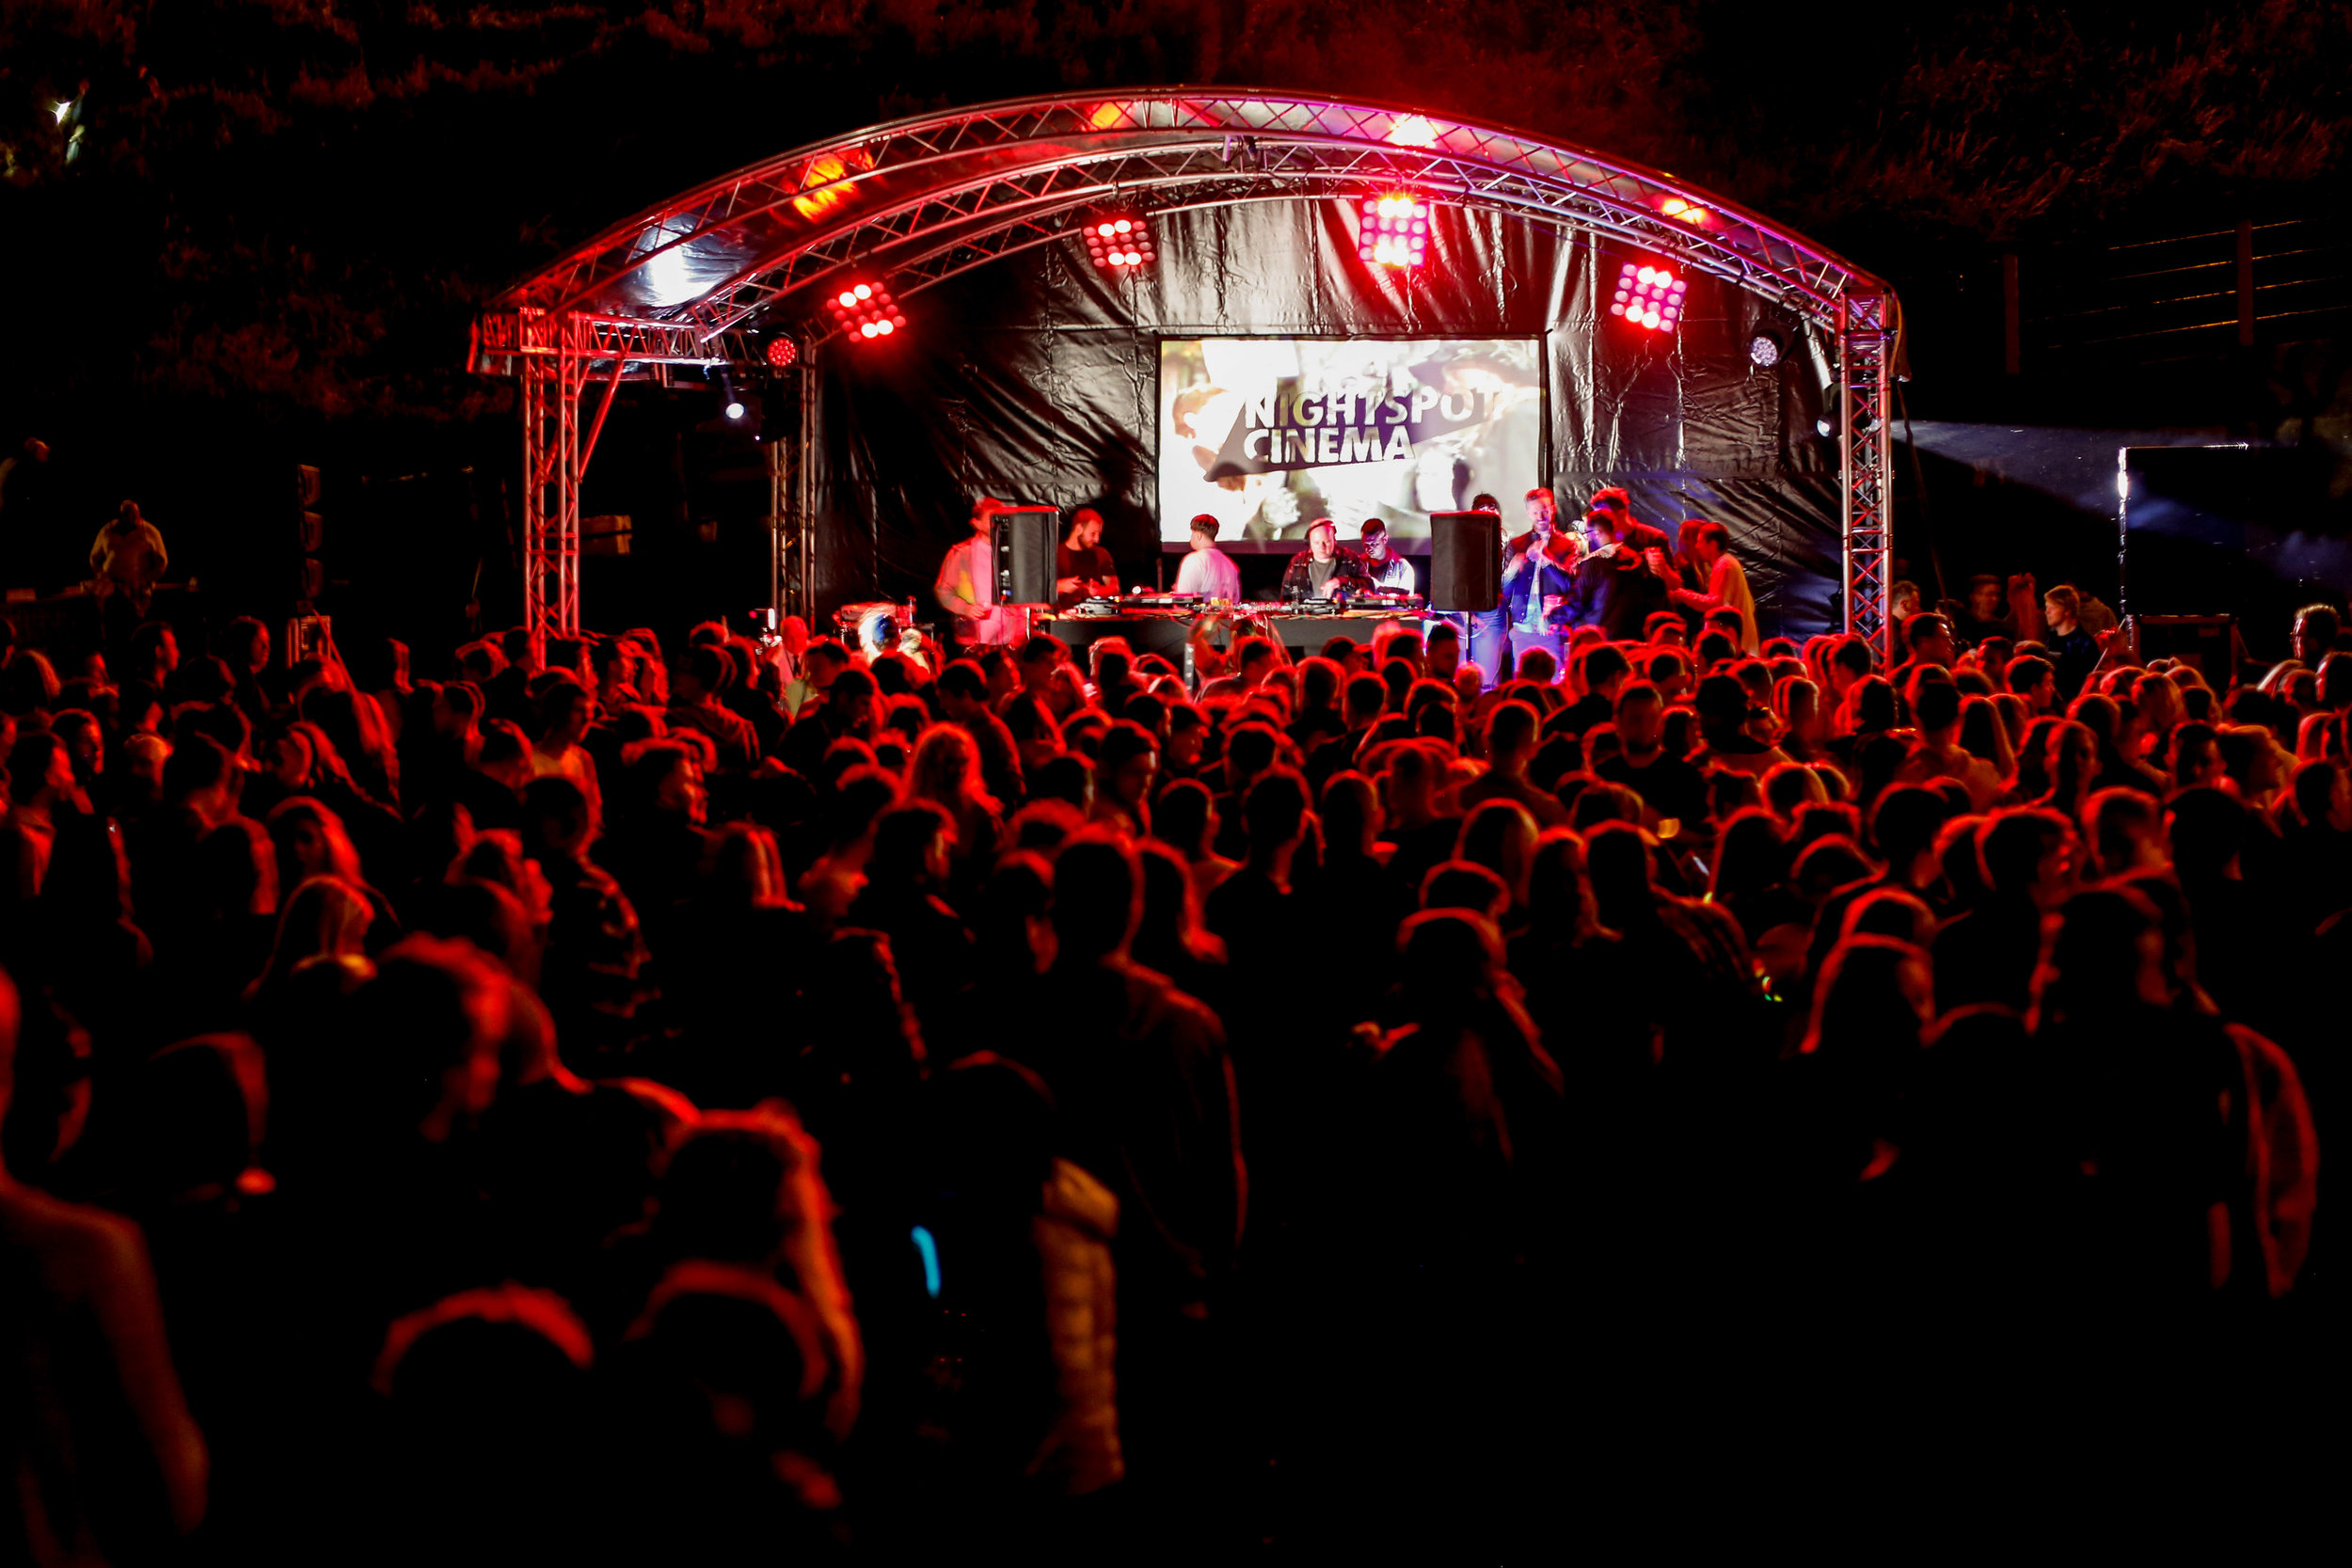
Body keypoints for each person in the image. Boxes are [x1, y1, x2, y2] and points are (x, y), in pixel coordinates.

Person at [1561, 506, 1667, 641]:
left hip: (1600, 638)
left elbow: (1577, 602)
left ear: (1597, 533)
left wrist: (1552, 617)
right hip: (1633, 638)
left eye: (1589, 533)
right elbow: (1655, 599)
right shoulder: (1639, 560)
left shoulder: (1593, 564)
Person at [1502, 490, 1578, 673]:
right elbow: (1504, 592)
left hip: (1550, 628)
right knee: (1522, 683)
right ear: (1528, 513)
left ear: (1553, 509)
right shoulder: (1517, 544)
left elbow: (1569, 585)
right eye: (1534, 512)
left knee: (1553, 684)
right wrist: (1512, 569)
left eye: (1544, 510)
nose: (1540, 516)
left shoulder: (1567, 545)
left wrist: (1546, 560)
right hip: (1523, 627)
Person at [935, 497, 1017, 646]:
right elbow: (943, 591)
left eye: (1000, 517)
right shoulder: (962, 553)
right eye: (992, 518)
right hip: (974, 640)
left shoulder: (1011, 552)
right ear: (976, 523)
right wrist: (965, 608)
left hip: (1010, 639)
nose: (997, 522)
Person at [1667, 520, 1756, 654]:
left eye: (1700, 542)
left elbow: (1716, 604)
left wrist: (1681, 594)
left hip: (1737, 646)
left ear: (1712, 544)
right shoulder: (1727, 563)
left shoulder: (1725, 565)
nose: (1697, 546)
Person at [90, 500, 169, 623]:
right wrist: (102, 576)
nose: (130, 518)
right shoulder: (107, 531)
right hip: (111, 587)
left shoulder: (149, 531)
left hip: (139, 587)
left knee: (136, 616)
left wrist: (147, 578)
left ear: (138, 515)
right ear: (121, 515)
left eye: (134, 515)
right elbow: (94, 558)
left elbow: (162, 562)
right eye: (126, 515)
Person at [1279, 519, 1371, 601]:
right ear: (1309, 542)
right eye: (1317, 542)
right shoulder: (1298, 562)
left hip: (1340, 617)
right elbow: (1286, 595)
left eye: (1326, 542)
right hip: (1305, 618)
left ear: (1334, 540)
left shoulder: (1349, 559)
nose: (1322, 547)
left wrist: (1341, 581)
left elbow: (1369, 586)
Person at [1055, 507, 1120, 610]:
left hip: (1094, 619)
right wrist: (1060, 587)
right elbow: (1035, 591)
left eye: (1099, 534)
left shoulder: (1101, 554)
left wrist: (1098, 591)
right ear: (1079, 529)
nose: (1097, 539)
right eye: (1093, 534)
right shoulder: (1055, 554)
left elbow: (1115, 588)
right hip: (1062, 617)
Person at [1173, 512, 1243, 600]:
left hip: (1200, 614)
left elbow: (1183, 601)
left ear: (1199, 536)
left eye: (1192, 534)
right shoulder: (1230, 564)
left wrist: (1177, 592)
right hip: (1225, 614)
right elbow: (1235, 600)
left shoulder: (1194, 560)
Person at [1356, 518, 1417, 594]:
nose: (1369, 548)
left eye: (1374, 544)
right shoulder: (1357, 564)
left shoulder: (1402, 567)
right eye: (1366, 544)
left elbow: (1407, 601)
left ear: (1385, 539)